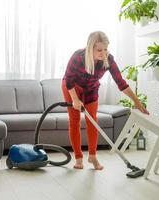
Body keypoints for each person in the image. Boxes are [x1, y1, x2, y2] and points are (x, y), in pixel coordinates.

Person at [62, 31, 149, 170]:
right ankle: (78, 158)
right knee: (74, 121)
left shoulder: (108, 59)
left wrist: (137, 101)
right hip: (72, 87)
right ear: (90, 48)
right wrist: (75, 100)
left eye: (105, 49)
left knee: (92, 121)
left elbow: (121, 83)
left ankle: (92, 156)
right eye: (99, 50)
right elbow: (69, 80)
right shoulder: (78, 57)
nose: (103, 53)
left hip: (91, 89)